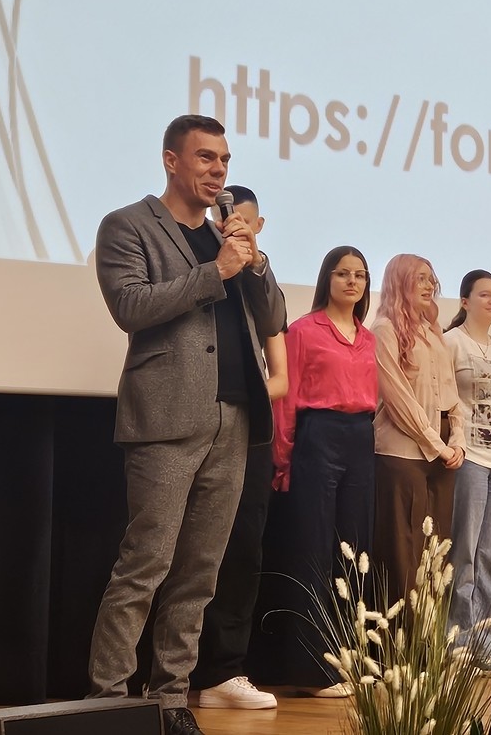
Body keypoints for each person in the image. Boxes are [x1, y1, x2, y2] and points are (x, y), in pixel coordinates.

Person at [88, 114, 286, 735]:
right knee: (145, 565)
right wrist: (216, 271)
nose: (218, 170)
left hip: (234, 417)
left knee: (200, 572)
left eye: (224, 160)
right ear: (171, 160)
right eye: (205, 158)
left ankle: (171, 697)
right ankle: (109, 701)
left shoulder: (230, 234)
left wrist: (253, 262)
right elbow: (130, 306)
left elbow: (273, 318)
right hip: (166, 418)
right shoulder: (128, 226)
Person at [192, 185, 288, 711]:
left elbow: (278, 354)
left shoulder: (258, 277)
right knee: (188, 550)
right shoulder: (199, 260)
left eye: (245, 223)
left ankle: (226, 669)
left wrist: (255, 264)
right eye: (227, 220)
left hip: (249, 428)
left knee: (243, 549)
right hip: (192, 418)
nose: (235, 229)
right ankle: (174, 672)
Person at [267, 246, 377, 698]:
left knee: (354, 552)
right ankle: (313, 671)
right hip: (317, 436)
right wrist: (283, 459)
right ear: (326, 279)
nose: (352, 282)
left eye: (360, 275)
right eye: (343, 273)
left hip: (360, 438)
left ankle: (348, 660)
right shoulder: (303, 330)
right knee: (313, 551)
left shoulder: (368, 338)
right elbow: (285, 400)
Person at [372, 254, 469, 598]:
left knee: (436, 548)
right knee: (404, 549)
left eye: (431, 279)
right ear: (399, 282)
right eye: (420, 278)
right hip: (403, 452)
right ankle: (403, 630)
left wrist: (457, 439)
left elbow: (452, 395)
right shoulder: (384, 329)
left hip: (442, 455)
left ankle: (429, 631)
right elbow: (397, 398)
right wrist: (437, 444)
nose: (429, 286)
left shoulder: (433, 331)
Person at [443, 270, 491, 678]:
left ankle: (483, 650)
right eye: (485, 294)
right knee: (465, 554)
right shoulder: (451, 342)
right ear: (465, 301)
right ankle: (456, 648)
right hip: (469, 456)